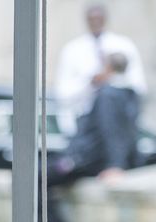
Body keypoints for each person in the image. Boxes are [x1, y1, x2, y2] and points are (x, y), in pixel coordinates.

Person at [46, 51, 141, 222]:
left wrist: (115, 165)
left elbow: (111, 129)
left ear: (108, 68)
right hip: (98, 158)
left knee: (39, 176)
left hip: (87, 159)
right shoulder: (130, 93)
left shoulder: (108, 94)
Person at [55, 3, 146, 133]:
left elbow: (138, 86)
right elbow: (62, 93)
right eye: (92, 19)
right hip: (83, 125)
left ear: (105, 19)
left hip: (118, 126)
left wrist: (112, 77)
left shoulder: (124, 46)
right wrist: (91, 82)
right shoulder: (72, 50)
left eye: (99, 18)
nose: (96, 23)